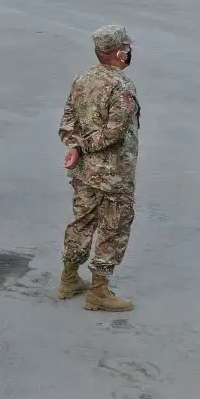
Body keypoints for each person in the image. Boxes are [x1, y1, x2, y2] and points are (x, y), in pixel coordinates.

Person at [57, 25, 140, 312]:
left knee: (82, 220)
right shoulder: (122, 86)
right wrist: (82, 146)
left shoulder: (83, 79)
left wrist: (75, 145)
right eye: (126, 48)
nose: (129, 52)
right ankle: (99, 291)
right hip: (113, 173)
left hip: (84, 171)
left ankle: (69, 278)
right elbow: (115, 132)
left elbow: (67, 121)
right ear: (118, 52)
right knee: (114, 227)